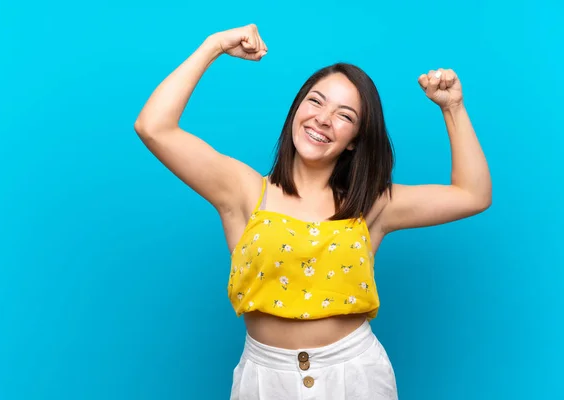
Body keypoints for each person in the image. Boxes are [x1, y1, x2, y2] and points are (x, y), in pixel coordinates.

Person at [134, 23, 491, 400]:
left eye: (345, 115)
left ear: (355, 140)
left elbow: (473, 194)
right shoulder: (242, 190)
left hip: (355, 376)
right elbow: (153, 126)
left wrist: (453, 107)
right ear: (296, 109)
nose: (323, 119)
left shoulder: (372, 203)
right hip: (264, 379)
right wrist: (214, 45)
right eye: (316, 101)